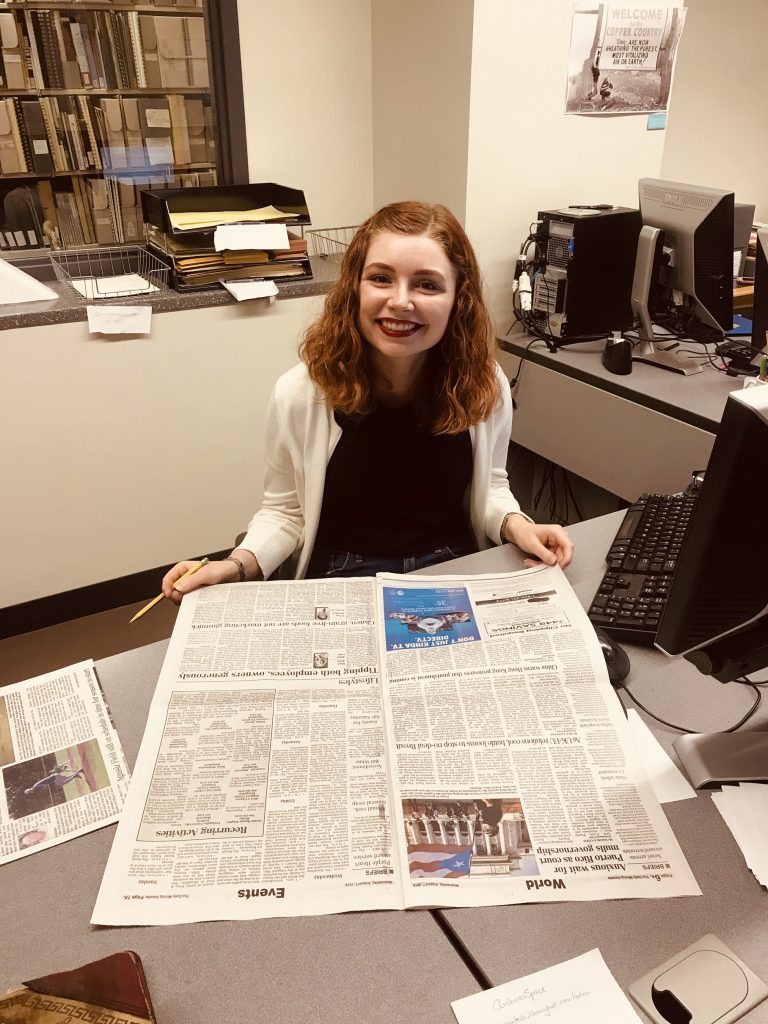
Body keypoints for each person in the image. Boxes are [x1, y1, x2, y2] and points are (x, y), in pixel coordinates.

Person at [162, 202, 573, 599]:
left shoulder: (483, 385)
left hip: (448, 568)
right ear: (355, 287)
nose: (400, 301)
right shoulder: (300, 394)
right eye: (381, 278)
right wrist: (235, 565)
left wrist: (518, 525)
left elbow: (492, 486)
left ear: (458, 297)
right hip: (341, 573)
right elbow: (285, 512)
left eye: (427, 284)